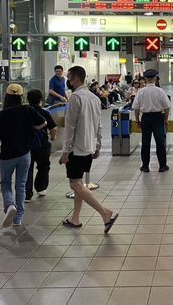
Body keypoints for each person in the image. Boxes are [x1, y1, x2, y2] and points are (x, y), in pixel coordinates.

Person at [59, 66, 118, 233]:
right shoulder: (94, 98)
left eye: (69, 78)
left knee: (75, 184)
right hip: (89, 146)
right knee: (79, 183)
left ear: (76, 79)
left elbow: (70, 127)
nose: (68, 82)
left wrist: (65, 151)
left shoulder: (75, 98)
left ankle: (105, 213)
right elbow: (99, 125)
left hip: (76, 148)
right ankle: (75, 218)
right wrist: (97, 145)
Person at [0, 84, 46, 227]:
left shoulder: (1, 115)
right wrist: (32, 127)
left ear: (7, 96)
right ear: (21, 96)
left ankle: (9, 206)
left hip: (7, 155)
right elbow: (43, 123)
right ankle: (18, 218)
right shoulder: (28, 110)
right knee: (20, 185)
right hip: (25, 154)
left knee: (6, 183)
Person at [132, 69, 170, 173]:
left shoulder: (141, 92)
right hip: (158, 118)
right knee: (160, 142)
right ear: (155, 79)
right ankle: (162, 166)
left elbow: (136, 108)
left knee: (145, 143)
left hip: (146, 118)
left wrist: (137, 120)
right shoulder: (160, 91)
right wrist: (166, 119)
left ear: (145, 79)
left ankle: (145, 166)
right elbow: (167, 107)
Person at [25, 89, 58, 202]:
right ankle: (41, 188)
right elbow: (53, 128)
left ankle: (27, 194)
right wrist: (53, 137)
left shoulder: (25, 111)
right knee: (43, 166)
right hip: (42, 144)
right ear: (40, 99)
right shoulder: (44, 112)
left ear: (27, 99)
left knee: (27, 169)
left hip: (26, 145)